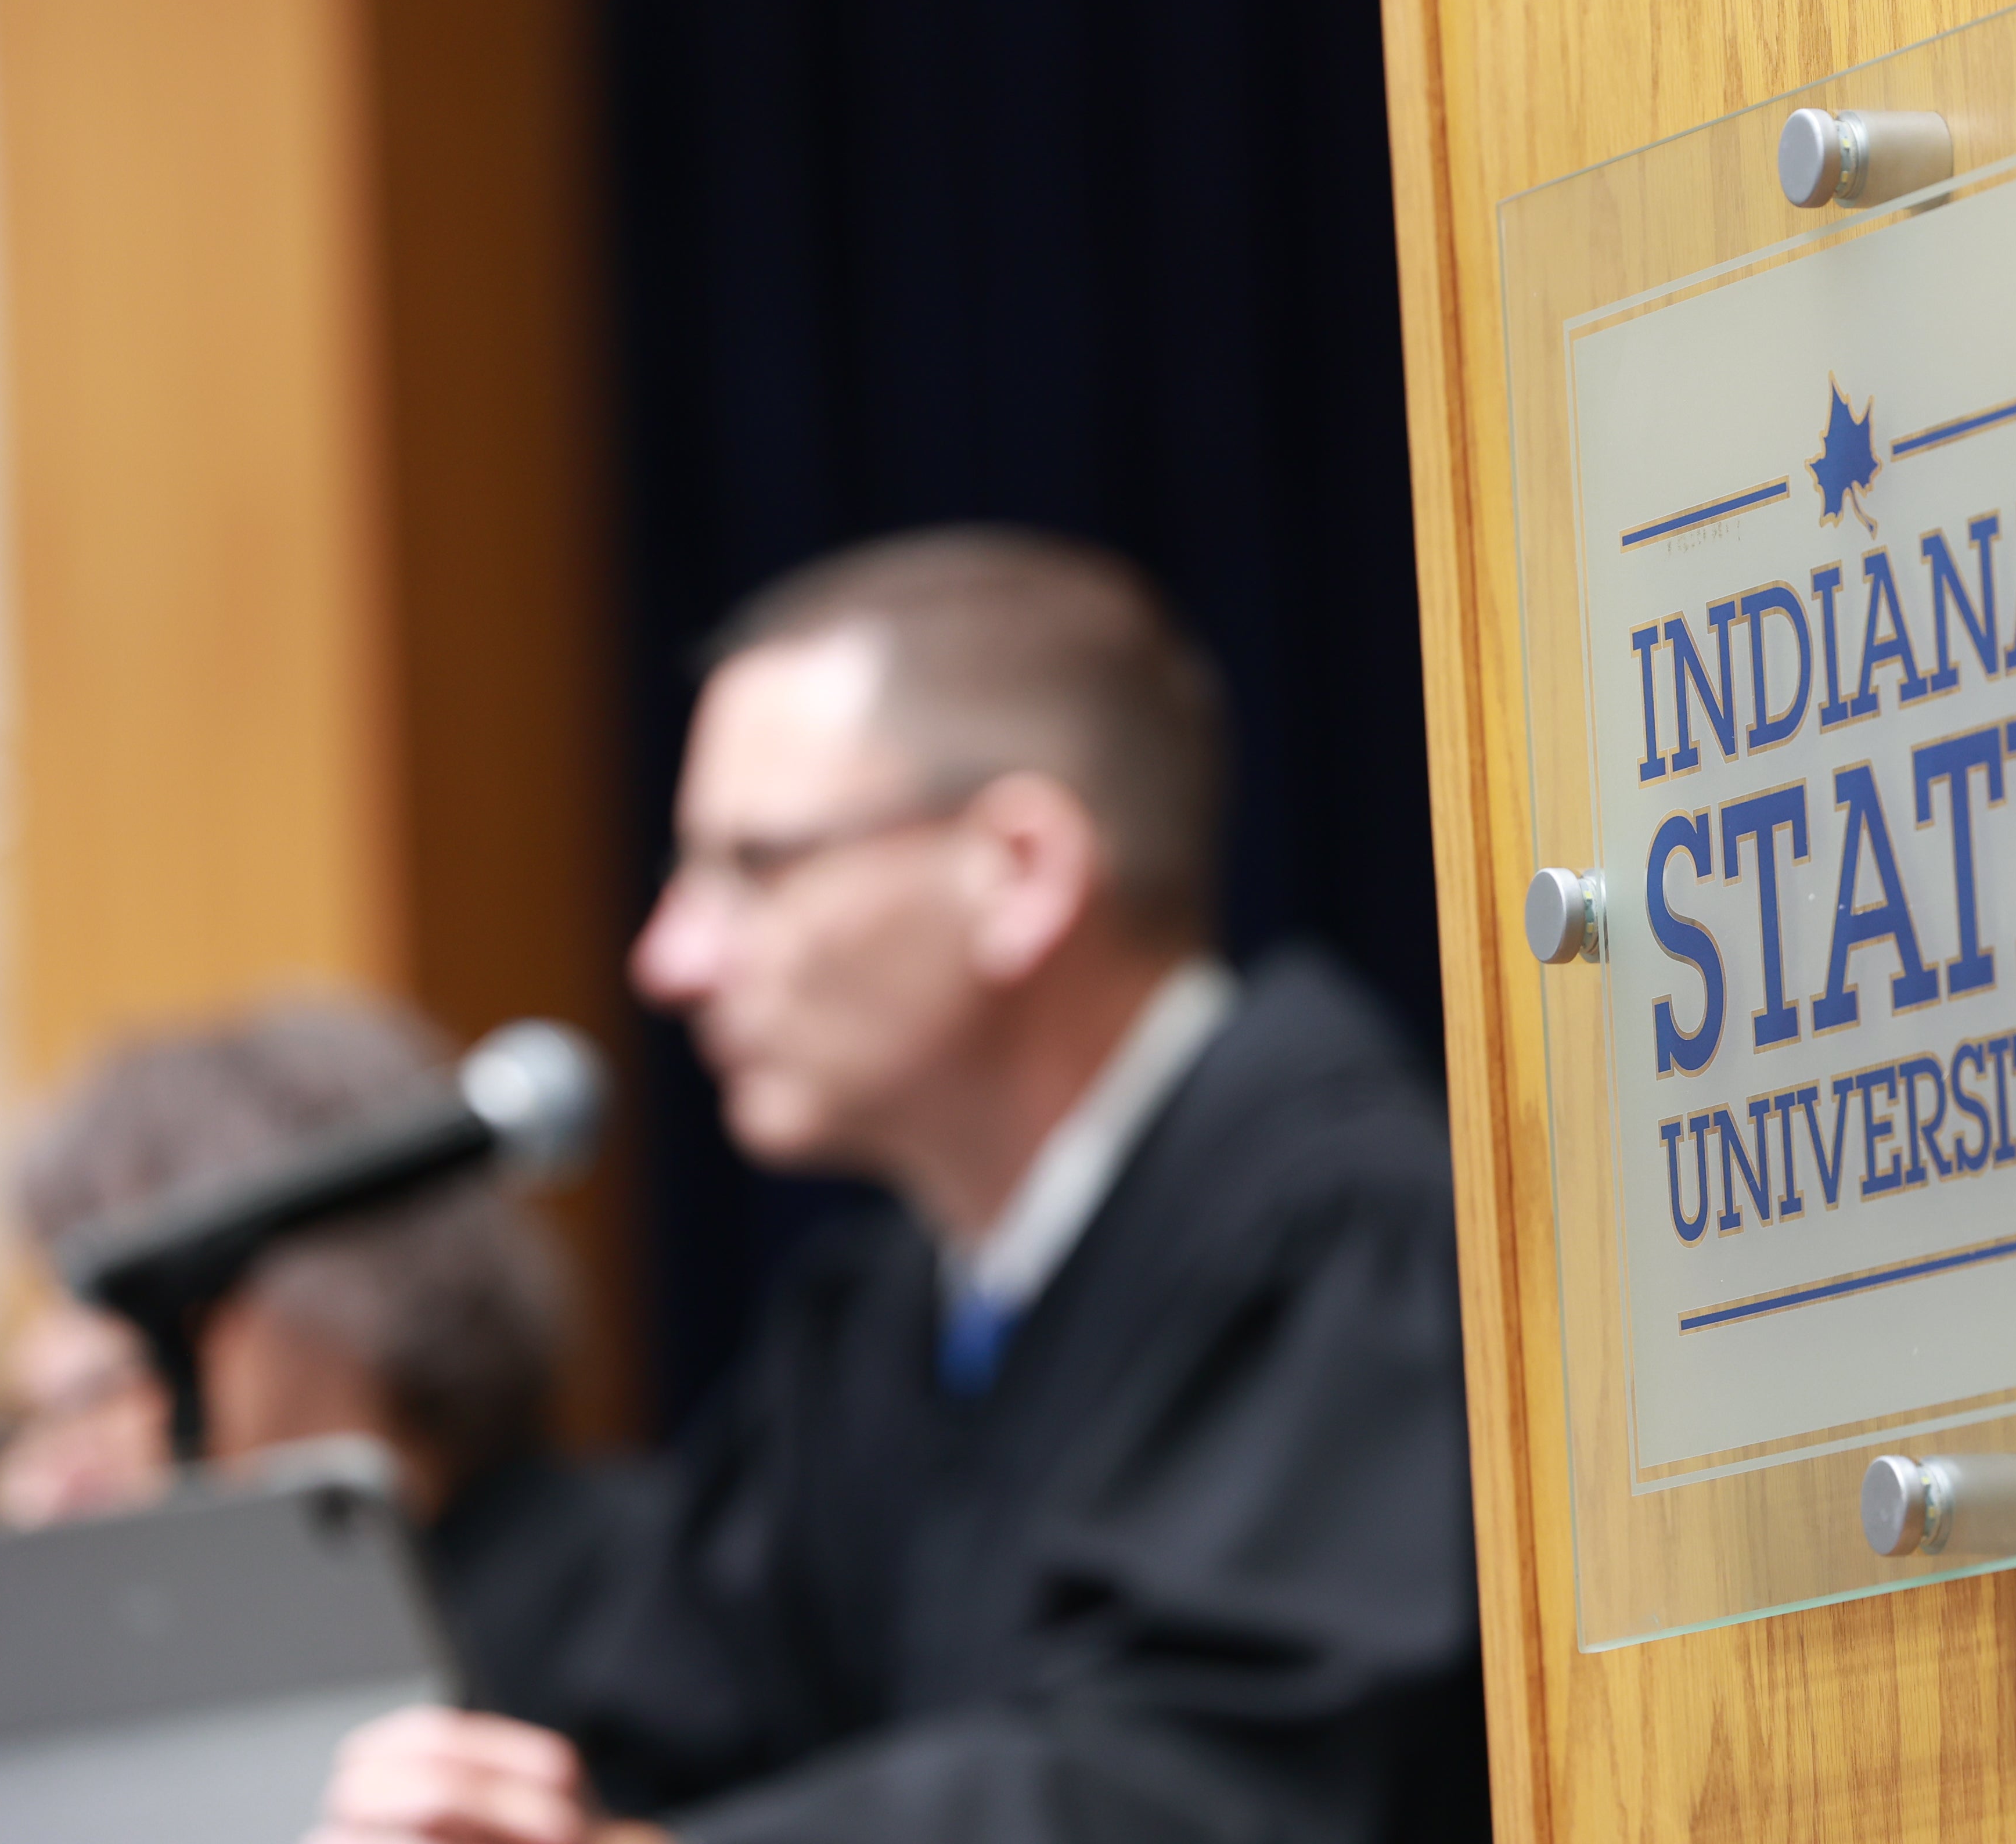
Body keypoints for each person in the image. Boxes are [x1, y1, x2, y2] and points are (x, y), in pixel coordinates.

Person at [311, 528, 1488, 1844]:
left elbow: (1201, 1792)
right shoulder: (877, 1325)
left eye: (754, 867)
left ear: (1020, 873)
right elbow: (662, 1748)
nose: (669, 959)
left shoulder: (1339, 1234)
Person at [0, 997, 641, 1728]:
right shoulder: (153, 1632)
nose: (52, 1361)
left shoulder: (653, 1591)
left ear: (346, 1291)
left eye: (144, 1299)